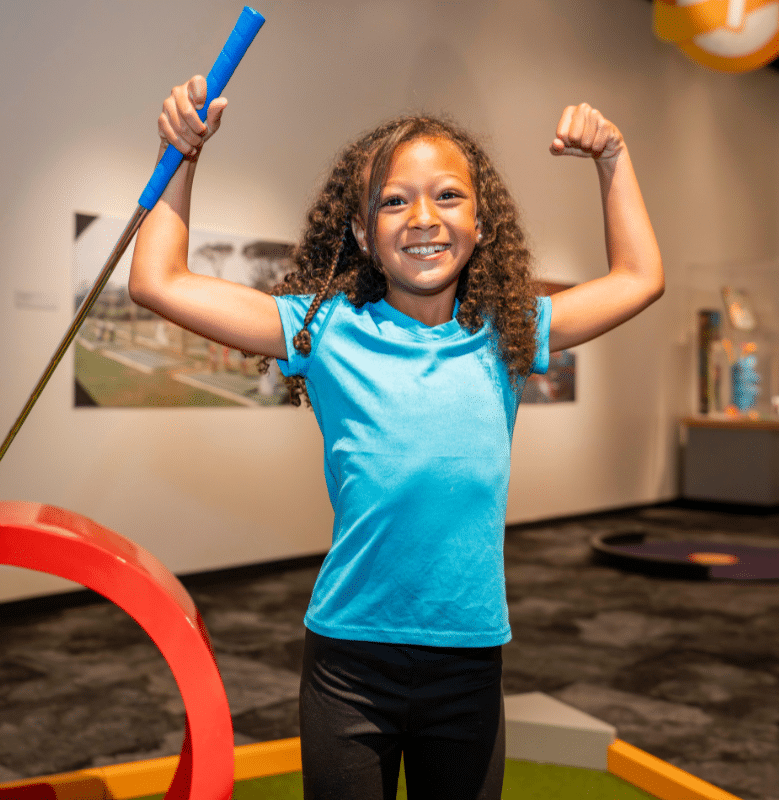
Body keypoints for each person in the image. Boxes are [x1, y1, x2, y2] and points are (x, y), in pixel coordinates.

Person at [129, 75, 663, 800]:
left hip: (469, 662)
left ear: (483, 223)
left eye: (448, 195)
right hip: (349, 664)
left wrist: (614, 156)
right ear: (360, 233)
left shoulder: (506, 335)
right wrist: (180, 154)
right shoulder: (323, 329)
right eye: (393, 200)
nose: (423, 217)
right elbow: (157, 281)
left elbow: (640, 278)